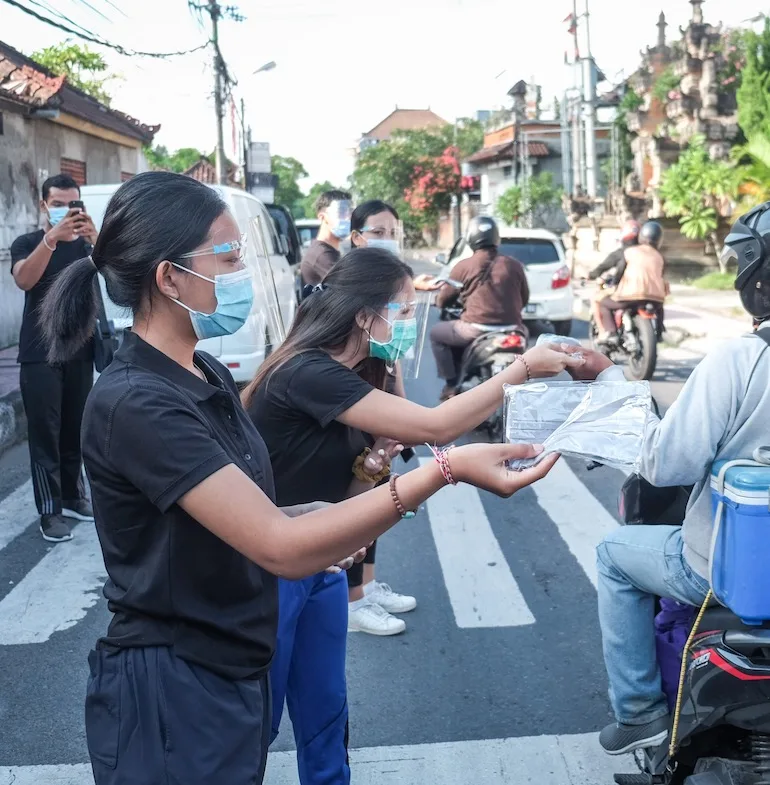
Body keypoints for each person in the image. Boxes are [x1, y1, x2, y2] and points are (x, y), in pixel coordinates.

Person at [37, 170, 569, 785]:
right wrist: (443, 472)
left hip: (228, 662)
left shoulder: (203, 373)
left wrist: (325, 515)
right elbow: (278, 547)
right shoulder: (137, 401)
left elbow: (260, 515)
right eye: (230, 254)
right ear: (169, 277)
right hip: (175, 684)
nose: (244, 269)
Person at [242, 247, 593, 783]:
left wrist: (376, 461)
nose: (409, 323)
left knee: (325, 711)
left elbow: (354, 489)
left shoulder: (359, 374)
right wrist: (523, 368)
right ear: (365, 315)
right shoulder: (309, 374)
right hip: (271, 569)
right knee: (256, 723)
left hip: (323, 565)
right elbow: (436, 428)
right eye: (403, 310)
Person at [595, 202, 770, 756]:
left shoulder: (741, 361)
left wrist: (611, 386)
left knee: (612, 555)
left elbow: (665, 464)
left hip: (732, 570)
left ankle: (640, 712)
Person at [10, 173, 98, 542]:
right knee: (45, 432)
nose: (65, 209)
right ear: (44, 204)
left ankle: (74, 495)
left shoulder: (88, 246)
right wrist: (50, 240)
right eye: (58, 203)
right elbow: (24, 280)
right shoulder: (29, 242)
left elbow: (117, 279)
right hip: (39, 352)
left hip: (80, 349)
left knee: (75, 429)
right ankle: (50, 511)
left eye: (71, 203)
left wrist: (98, 241)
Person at [345, 199, 413, 625]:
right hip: (356, 407)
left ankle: (367, 587)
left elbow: (393, 358)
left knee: (377, 493)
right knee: (354, 503)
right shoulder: (347, 287)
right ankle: (352, 600)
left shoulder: (388, 284)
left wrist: (401, 403)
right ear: (355, 237)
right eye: (377, 233)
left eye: (393, 233)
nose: (387, 241)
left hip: (378, 406)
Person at [429, 216, 530, 400]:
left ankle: (451, 385)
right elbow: (524, 298)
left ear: (470, 239)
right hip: (513, 330)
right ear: (496, 238)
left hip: (475, 330)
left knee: (436, 334)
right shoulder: (514, 265)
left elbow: (444, 299)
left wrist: (439, 301)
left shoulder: (463, 266)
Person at [595, 220, 667, 343]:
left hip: (630, 296)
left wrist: (614, 282)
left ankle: (611, 333)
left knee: (603, 303)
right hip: (656, 298)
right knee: (659, 307)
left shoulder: (630, 252)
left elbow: (620, 272)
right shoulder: (660, 257)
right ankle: (659, 332)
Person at [299, 189, 352, 288]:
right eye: (341, 212)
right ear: (323, 217)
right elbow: (351, 288)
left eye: (350, 212)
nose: (348, 218)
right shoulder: (322, 254)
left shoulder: (325, 250)